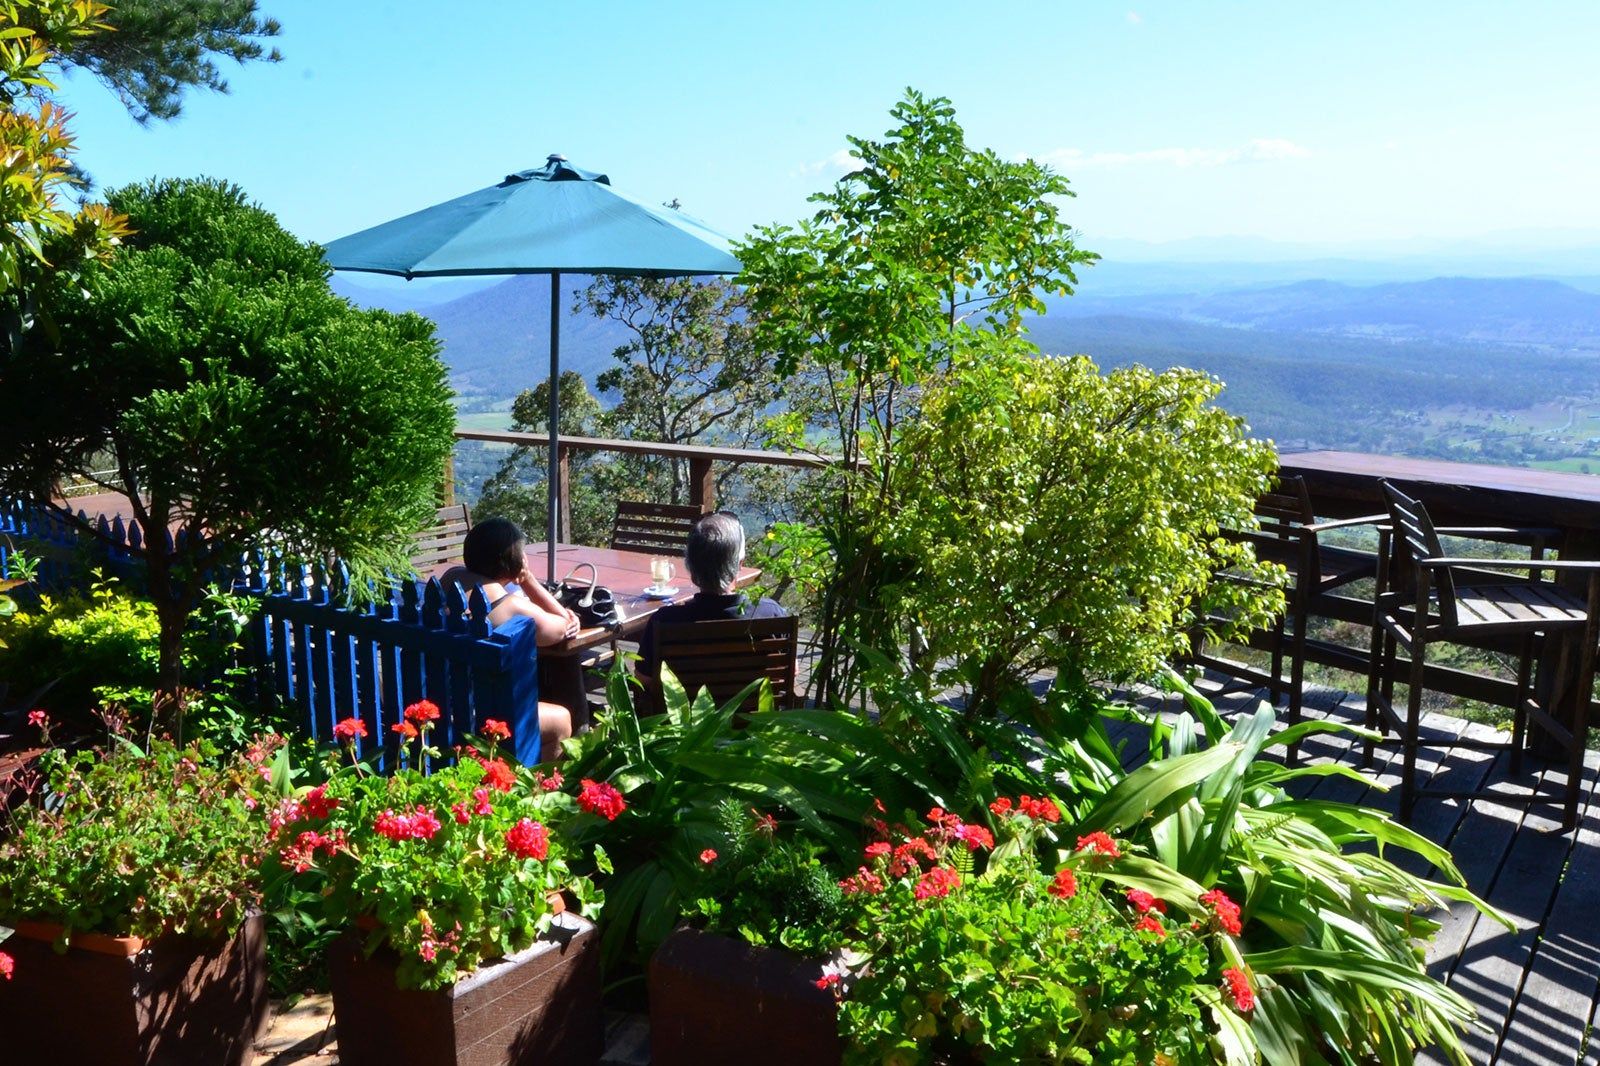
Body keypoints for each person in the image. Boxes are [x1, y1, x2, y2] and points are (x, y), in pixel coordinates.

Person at [443, 518, 578, 763]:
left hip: (442, 701)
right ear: (515, 561)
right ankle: (531, 784)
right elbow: (563, 626)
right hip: (478, 714)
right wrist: (528, 579)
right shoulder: (511, 607)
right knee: (561, 719)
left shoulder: (450, 579)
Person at [637, 511, 786, 687]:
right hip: (754, 705)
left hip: (687, 706)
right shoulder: (772, 614)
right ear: (739, 565)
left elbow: (644, 678)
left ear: (691, 570)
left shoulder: (664, 620)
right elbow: (788, 671)